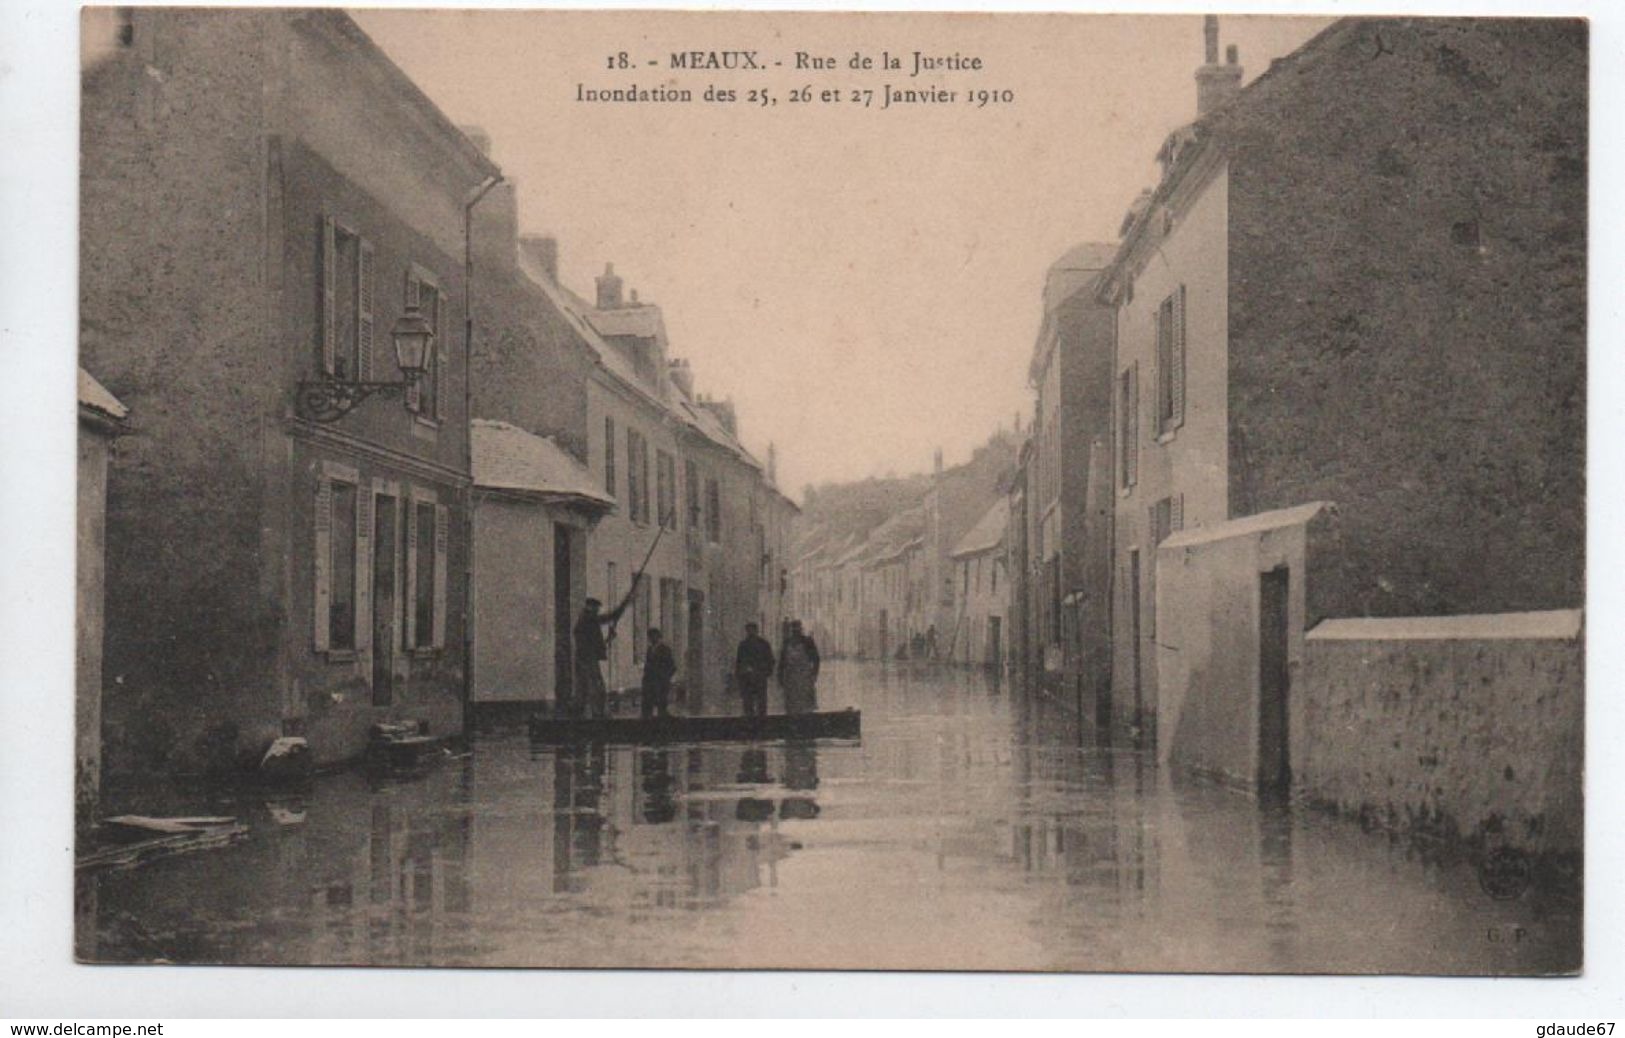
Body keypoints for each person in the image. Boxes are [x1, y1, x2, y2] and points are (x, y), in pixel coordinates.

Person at [572, 593, 631, 719]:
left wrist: (608, 639)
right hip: (587, 659)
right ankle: (597, 714)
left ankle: (582, 714)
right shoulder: (588, 619)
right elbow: (611, 616)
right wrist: (623, 605)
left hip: (584, 658)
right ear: (591, 607)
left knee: (584, 687)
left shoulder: (585, 619)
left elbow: (593, 642)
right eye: (596, 608)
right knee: (596, 687)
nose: (598, 611)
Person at [778, 620, 822, 715]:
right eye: (794, 630)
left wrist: (814, 674)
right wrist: (780, 677)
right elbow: (782, 661)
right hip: (791, 676)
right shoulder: (787, 642)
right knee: (792, 702)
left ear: (801, 629)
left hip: (805, 676)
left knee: (806, 703)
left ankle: (807, 722)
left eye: (798, 629)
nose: (796, 631)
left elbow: (816, 659)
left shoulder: (807, 641)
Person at [734, 622, 775, 719]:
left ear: (756, 631)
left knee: (761, 700)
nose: (750, 633)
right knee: (748, 700)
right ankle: (750, 718)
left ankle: (761, 719)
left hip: (759, 675)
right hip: (747, 676)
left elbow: (770, 659)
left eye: (752, 630)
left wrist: (767, 671)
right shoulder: (743, 645)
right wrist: (739, 673)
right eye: (748, 630)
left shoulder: (764, 644)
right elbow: (739, 660)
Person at [640, 627, 676, 720]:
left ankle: (661, 718)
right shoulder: (650, 649)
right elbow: (649, 664)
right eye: (649, 637)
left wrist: (665, 676)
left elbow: (671, 665)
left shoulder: (664, 649)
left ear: (658, 636)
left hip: (660, 680)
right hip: (650, 680)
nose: (651, 639)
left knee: (661, 701)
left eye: (652, 636)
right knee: (648, 701)